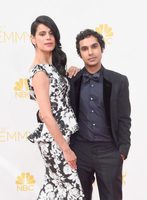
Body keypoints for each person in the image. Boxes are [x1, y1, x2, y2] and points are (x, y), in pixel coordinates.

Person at [69, 29, 131, 200]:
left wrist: (123, 150)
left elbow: (124, 118)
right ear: (80, 54)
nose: (90, 52)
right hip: (80, 151)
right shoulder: (72, 80)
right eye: (84, 49)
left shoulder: (119, 81)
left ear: (101, 48)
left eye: (94, 46)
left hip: (109, 151)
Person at [27, 15, 84, 199]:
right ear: (33, 39)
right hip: (55, 141)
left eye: (51, 33)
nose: (48, 37)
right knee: (72, 191)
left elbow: (59, 98)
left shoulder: (51, 67)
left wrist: (70, 71)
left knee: (54, 189)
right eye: (42, 34)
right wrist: (66, 149)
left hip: (61, 137)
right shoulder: (39, 72)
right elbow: (46, 115)